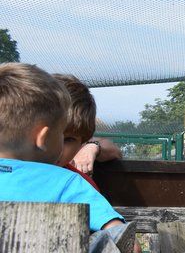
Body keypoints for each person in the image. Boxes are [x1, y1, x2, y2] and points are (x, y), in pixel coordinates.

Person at [0, 63, 127, 235]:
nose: (62, 148)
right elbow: (127, 245)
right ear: (43, 138)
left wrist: (93, 147)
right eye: (60, 134)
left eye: (70, 139)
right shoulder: (70, 184)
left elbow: (110, 148)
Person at [52, 74, 122, 184]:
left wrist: (92, 146)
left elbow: (114, 150)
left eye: (68, 140)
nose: (57, 150)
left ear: (81, 142)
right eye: (49, 136)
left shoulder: (81, 186)